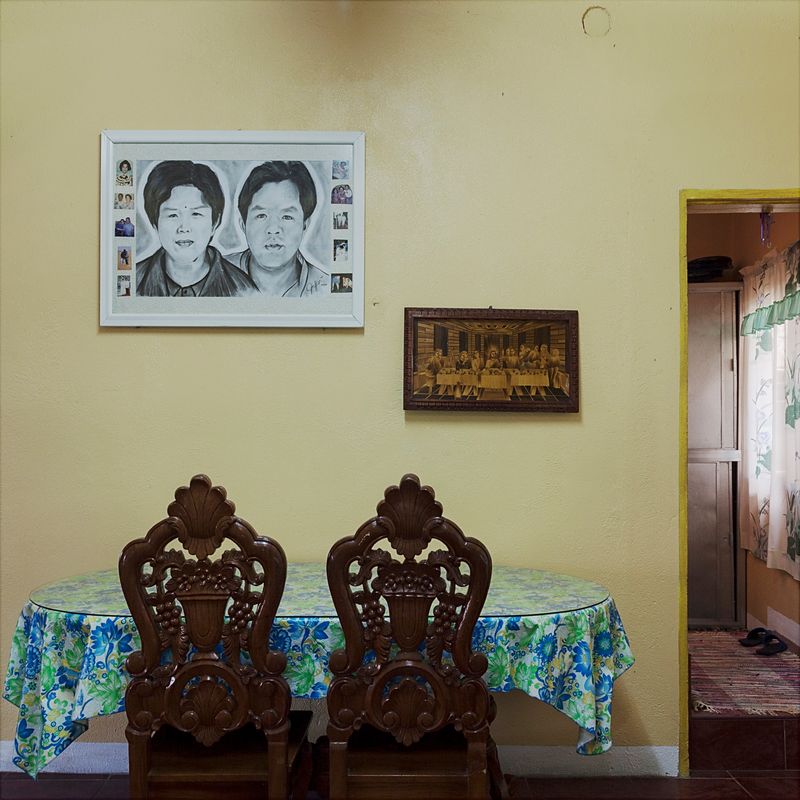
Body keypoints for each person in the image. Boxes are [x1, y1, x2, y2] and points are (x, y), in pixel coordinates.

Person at [136, 160, 257, 297]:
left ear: (215, 222)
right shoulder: (131, 283)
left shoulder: (242, 289)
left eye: (196, 214)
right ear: (155, 223)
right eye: (172, 215)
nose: (184, 228)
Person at [230, 161, 328, 297]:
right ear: (243, 224)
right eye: (261, 215)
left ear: (305, 225)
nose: (273, 229)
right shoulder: (211, 276)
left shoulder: (325, 289)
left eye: (287, 217)